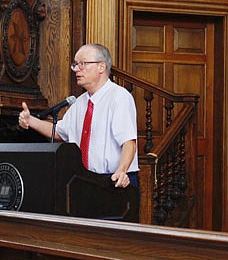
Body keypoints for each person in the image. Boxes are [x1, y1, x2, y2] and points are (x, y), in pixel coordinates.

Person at [18, 43, 139, 188]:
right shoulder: (79, 103)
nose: (76, 69)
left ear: (101, 67)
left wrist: (121, 171)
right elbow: (59, 132)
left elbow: (129, 142)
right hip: (83, 179)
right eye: (75, 64)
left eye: (82, 64)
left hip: (114, 180)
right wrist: (30, 120)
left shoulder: (119, 97)